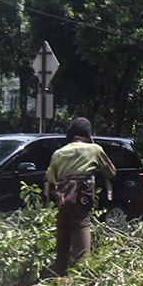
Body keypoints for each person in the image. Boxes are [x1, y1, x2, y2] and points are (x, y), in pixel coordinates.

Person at [46, 117, 115, 277]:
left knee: (60, 259)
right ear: (88, 133)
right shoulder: (94, 149)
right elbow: (111, 172)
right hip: (81, 207)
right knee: (83, 260)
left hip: (63, 205)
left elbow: (50, 178)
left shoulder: (58, 153)